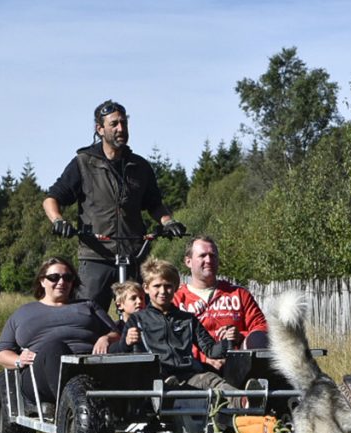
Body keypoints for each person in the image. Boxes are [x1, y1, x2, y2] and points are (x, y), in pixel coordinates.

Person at [43, 99, 187, 312]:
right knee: (86, 314)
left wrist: (168, 222)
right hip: (96, 255)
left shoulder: (139, 166)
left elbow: (155, 204)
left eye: (124, 123)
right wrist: (58, 221)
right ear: (100, 129)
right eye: (114, 124)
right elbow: (51, 198)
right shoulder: (84, 162)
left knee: (142, 315)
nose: (121, 129)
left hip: (134, 254)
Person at [0, 257, 118, 416]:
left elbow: (116, 333)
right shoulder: (23, 313)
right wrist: (19, 360)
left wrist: (106, 338)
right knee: (55, 347)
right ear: (42, 281)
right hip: (41, 374)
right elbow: (1, 354)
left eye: (67, 278)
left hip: (87, 364)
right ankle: (70, 409)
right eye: (54, 277)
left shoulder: (88, 305)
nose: (61, 282)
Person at [111, 258, 232, 392]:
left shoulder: (187, 319)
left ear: (176, 287)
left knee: (211, 380)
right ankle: (172, 396)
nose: (163, 291)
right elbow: (119, 354)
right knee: (164, 386)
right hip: (156, 379)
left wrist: (228, 340)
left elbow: (211, 350)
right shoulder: (137, 320)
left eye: (168, 286)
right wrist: (127, 342)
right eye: (157, 286)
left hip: (188, 375)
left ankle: (247, 400)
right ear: (146, 288)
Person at [172, 236, 269, 373]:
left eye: (213, 255)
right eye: (202, 256)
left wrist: (240, 336)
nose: (208, 260)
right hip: (192, 372)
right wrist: (206, 357)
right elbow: (167, 340)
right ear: (188, 261)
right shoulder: (175, 299)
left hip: (238, 369)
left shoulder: (238, 294)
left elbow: (262, 328)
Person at [110, 280, 145, 346]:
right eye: (133, 298)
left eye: (141, 298)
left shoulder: (151, 325)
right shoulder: (116, 329)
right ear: (119, 305)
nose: (139, 301)